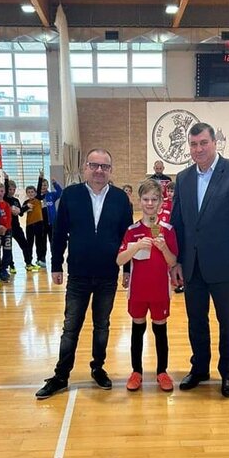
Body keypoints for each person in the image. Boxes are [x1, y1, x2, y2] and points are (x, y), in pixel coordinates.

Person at [36, 148, 133, 399]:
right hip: (78, 274)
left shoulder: (121, 199)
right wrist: (56, 265)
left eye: (104, 166)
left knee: (102, 326)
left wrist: (127, 269)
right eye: (94, 165)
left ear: (111, 170)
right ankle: (61, 375)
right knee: (71, 327)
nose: (99, 170)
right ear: (84, 168)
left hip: (108, 275)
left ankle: (98, 368)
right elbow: (59, 233)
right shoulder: (71, 195)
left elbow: (127, 237)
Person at [170, 122, 229, 399]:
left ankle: (228, 372)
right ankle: (199, 369)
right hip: (192, 266)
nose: (198, 149)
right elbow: (178, 223)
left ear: (214, 143)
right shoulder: (183, 178)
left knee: (227, 322)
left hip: (225, 266)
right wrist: (176, 262)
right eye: (193, 144)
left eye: (203, 143)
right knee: (196, 321)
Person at [117, 179, 178, 392]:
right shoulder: (132, 230)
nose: (150, 203)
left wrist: (163, 248)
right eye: (146, 199)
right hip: (138, 291)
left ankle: (162, 372)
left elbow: (172, 261)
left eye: (154, 199)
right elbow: (119, 260)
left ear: (161, 201)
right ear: (139, 201)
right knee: (137, 330)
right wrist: (135, 248)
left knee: (160, 330)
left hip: (160, 290)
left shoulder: (168, 229)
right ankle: (136, 372)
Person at [3, 174, 39, 272]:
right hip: (7, 228)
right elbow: (5, 190)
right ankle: (11, 266)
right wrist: (6, 179)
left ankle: (28, 264)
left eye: (13, 189)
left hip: (16, 227)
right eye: (10, 189)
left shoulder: (16, 200)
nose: (12, 191)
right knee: (8, 247)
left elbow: (21, 214)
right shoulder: (5, 199)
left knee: (25, 245)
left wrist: (26, 207)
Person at [37, 169, 62, 253]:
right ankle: (42, 258)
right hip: (42, 224)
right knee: (42, 242)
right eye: (41, 185)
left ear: (48, 186)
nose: (43, 187)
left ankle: (54, 256)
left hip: (52, 223)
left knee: (53, 241)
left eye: (45, 185)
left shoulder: (51, 195)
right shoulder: (37, 198)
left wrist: (55, 184)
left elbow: (60, 193)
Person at [22, 184, 46, 268]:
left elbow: (39, 189)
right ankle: (29, 262)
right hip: (29, 225)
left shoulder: (38, 199)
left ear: (35, 193)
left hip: (39, 224)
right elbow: (21, 213)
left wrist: (40, 178)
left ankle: (40, 259)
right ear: (26, 194)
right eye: (29, 192)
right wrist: (26, 207)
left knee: (39, 243)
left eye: (32, 192)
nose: (31, 193)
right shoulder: (26, 202)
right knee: (29, 244)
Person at [0, 182, 13, 282]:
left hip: (7, 231)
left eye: (1, 191)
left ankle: (4, 269)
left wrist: (5, 228)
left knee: (7, 250)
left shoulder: (6, 205)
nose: (0, 193)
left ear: (4, 192)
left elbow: (9, 218)